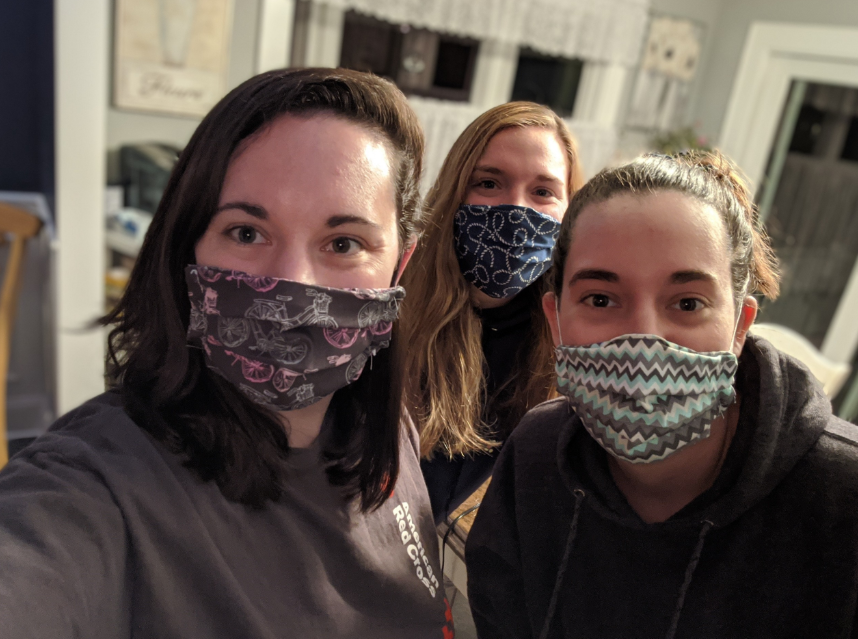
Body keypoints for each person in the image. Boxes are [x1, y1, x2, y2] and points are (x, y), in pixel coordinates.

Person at [0, 68, 454, 638]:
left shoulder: (388, 431)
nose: (293, 282)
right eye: (245, 232)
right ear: (188, 244)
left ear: (401, 265)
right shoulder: (99, 483)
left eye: (343, 243)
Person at [466, 151, 858, 638]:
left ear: (739, 327)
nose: (644, 342)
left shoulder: (843, 496)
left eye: (688, 303)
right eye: (601, 299)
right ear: (556, 320)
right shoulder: (535, 455)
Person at [401, 102, 583, 522]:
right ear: (455, 190)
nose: (515, 211)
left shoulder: (565, 342)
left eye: (543, 192)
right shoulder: (393, 311)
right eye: (488, 183)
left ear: (569, 211)